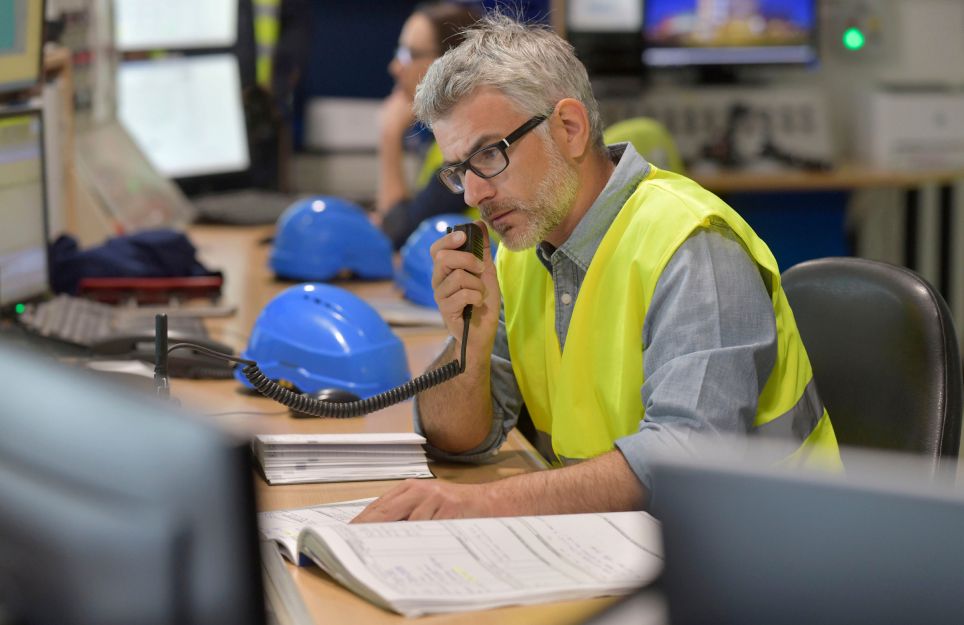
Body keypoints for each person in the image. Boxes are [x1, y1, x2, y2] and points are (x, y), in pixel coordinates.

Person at [354, 13, 841, 523]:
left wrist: (485, 503)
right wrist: (467, 348)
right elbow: (458, 441)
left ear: (569, 128)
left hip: (770, 557)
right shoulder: (521, 250)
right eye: (458, 172)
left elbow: (682, 459)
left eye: (489, 155)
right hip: (619, 540)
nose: (474, 193)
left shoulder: (691, 244)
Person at [372, 2, 481, 249]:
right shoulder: (444, 138)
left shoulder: (473, 146)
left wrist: (389, 136)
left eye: (409, 55)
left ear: (449, 63)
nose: (396, 68)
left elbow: (399, 235)